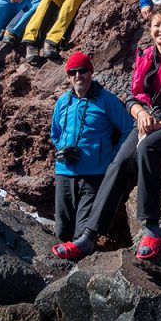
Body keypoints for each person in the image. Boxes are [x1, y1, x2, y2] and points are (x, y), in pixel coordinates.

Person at [52, 5, 161, 261]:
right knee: (120, 162)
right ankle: (89, 236)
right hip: (147, 118)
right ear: (150, 29)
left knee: (147, 148)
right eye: (157, 25)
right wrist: (142, 114)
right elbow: (133, 96)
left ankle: (151, 227)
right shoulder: (145, 55)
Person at [51, 51, 134, 245]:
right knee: (62, 230)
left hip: (94, 174)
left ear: (91, 72)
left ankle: (81, 265)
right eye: (72, 72)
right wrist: (62, 149)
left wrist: (113, 157)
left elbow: (128, 128)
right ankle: (65, 267)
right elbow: (55, 133)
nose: (78, 76)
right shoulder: (63, 101)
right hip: (64, 171)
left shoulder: (106, 100)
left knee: (83, 232)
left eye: (82, 71)